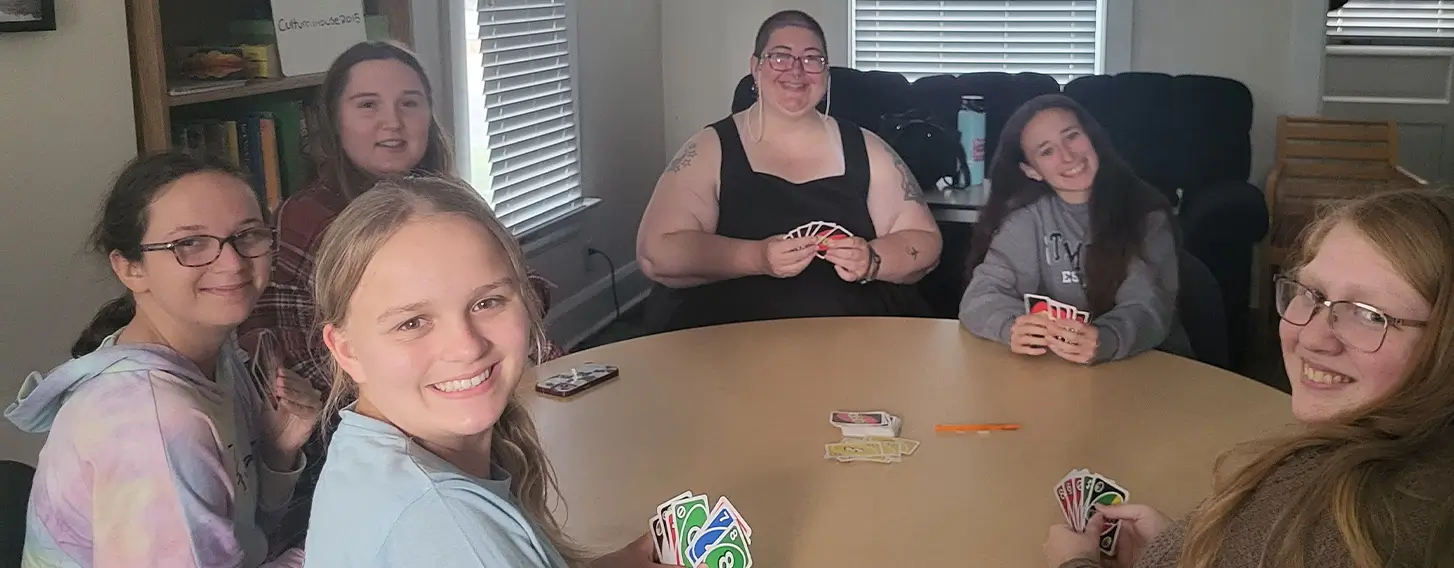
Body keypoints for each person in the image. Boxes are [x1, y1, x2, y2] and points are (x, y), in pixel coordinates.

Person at [238, 40, 562, 544]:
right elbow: (316, 369)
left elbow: (530, 290)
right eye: (368, 105)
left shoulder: (446, 201)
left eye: (410, 102)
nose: (392, 121)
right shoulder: (312, 217)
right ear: (333, 122)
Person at [1044, 189, 1454, 568]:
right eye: (1310, 294)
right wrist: (1189, 551)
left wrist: (1075, 562)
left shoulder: (1336, 516)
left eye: (1368, 315)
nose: (1312, 337)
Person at [301, 175, 672, 567]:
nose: (467, 347)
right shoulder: (444, 523)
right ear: (347, 351)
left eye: (487, 302)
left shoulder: (367, 455)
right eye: (412, 323)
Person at [5, 152, 320, 567]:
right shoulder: (152, 424)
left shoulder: (215, 356)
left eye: (247, 235)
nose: (232, 263)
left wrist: (276, 453)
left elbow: (241, 530)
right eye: (189, 244)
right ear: (130, 269)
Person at [636, 10, 942, 333]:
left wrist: (871, 260)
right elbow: (656, 253)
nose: (796, 71)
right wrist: (757, 258)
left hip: (852, 341)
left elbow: (925, 242)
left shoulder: (869, 149)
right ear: (755, 67)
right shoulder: (708, 149)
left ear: (826, 73)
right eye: (780, 57)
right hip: (732, 345)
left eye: (811, 59)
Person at [958, 94, 1191, 365]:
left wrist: (1106, 338)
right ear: (1031, 170)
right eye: (1046, 151)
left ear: (1092, 138)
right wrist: (1012, 326)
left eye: (1072, 136)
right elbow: (980, 296)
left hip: (1148, 365)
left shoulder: (1146, 215)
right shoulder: (1026, 219)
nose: (1067, 156)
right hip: (1056, 369)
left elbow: (1147, 307)